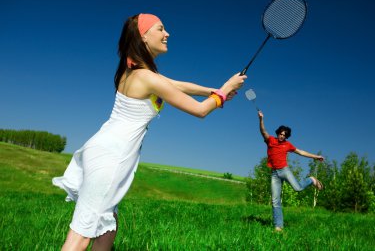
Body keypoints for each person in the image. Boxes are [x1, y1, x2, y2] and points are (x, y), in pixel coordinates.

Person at [52, 13, 246, 250]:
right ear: (144, 37)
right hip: (111, 157)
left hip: (104, 149)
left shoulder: (136, 72)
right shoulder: (145, 77)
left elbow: (177, 85)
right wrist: (225, 90)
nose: (167, 34)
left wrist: (213, 91)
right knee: (81, 234)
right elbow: (200, 111)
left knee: (108, 224)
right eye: (161, 29)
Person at [258, 110, 324, 232]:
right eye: (281, 134)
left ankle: (311, 180)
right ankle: (278, 227)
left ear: (286, 136)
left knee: (298, 188)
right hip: (274, 174)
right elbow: (263, 131)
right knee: (275, 200)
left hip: (285, 170)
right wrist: (261, 119)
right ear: (278, 133)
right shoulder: (271, 141)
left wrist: (316, 156)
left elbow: (301, 152)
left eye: (284, 135)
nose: (282, 136)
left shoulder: (288, 145)